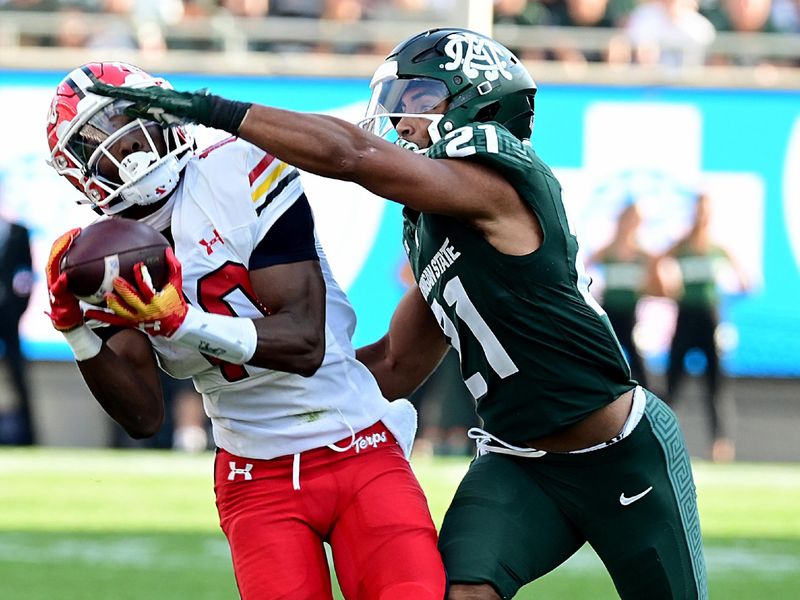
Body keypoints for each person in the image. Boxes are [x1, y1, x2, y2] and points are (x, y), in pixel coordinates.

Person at [87, 28, 708, 599]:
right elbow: (392, 362)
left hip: (621, 449)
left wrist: (214, 111)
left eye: (418, 95)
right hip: (518, 464)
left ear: (477, 102)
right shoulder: (435, 230)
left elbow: (354, 158)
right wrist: (287, 408)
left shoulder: (502, 184)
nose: (399, 115)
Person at [44, 61, 445, 600]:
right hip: (255, 477)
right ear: (79, 169)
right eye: (103, 134)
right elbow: (144, 416)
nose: (126, 141)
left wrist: (181, 323)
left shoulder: (238, 168)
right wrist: (77, 333)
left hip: (357, 444)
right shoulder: (104, 257)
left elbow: (306, 342)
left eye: (129, 117)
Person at [657, 193, 749, 463]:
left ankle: (720, 444)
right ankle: (662, 439)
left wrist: (728, 296)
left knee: (715, 385)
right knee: (673, 382)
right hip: (685, 315)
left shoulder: (716, 248)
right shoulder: (681, 246)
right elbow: (656, 263)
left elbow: (747, 281)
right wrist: (667, 287)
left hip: (710, 317)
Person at [588, 203, 658, 389]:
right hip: (609, 311)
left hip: (631, 313)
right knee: (604, 356)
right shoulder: (606, 252)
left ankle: (647, 400)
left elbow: (658, 288)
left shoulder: (644, 255)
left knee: (637, 359)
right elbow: (583, 271)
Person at [0, 213, 34, 445]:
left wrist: (17, 311)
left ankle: (29, 436)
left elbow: (26, 277)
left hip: (10, 317)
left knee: (18, 376)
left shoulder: (18, 231)